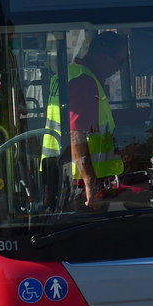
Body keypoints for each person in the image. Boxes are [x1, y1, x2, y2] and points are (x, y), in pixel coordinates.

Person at [42, 31, 128, 208]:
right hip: (78, 184)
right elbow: (76, 134)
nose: (119, 68)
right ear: (104, 57)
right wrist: (90, 183)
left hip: (61, 176)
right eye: (120, 62)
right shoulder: (84, 81)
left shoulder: (70, 74)